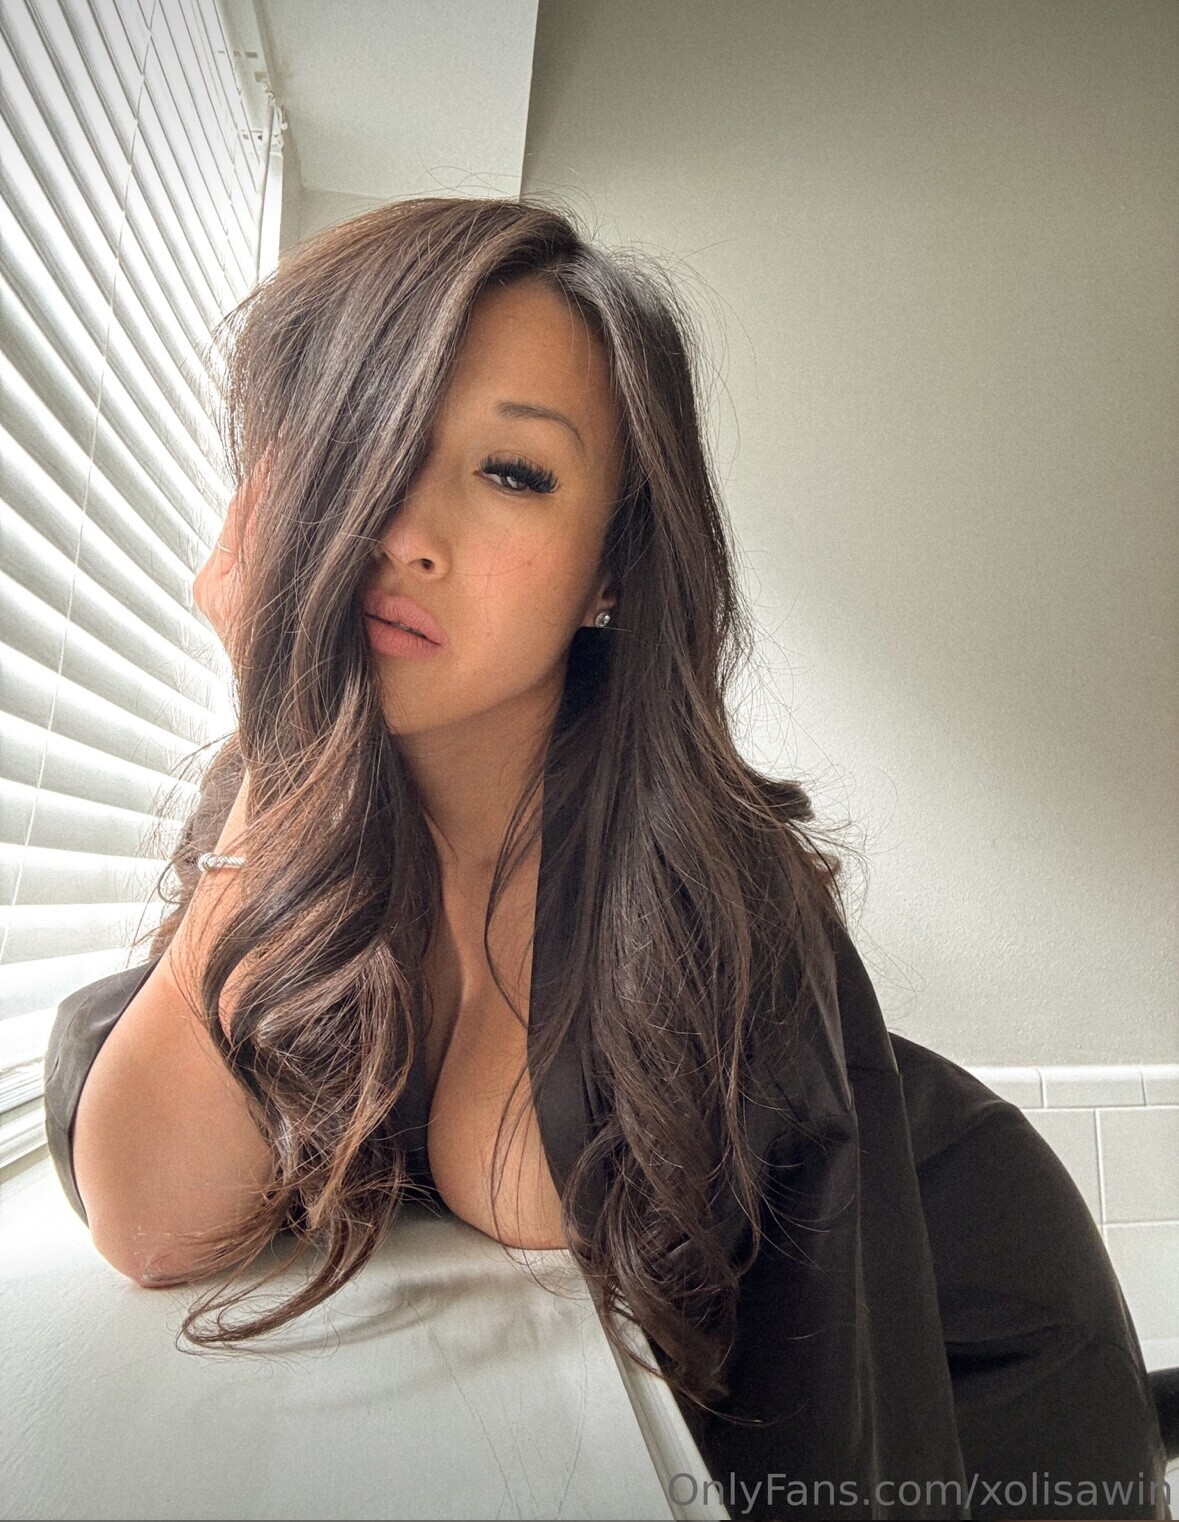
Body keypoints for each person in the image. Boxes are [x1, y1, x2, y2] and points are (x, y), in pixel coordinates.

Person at [43, 195, 1168, 1521]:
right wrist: (282, 726)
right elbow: (155, 1221)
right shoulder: (293, 820)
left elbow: (807, 1397)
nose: (406, 532)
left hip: (979, 1334)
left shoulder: (706, 880)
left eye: (513, 474)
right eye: (371, 440)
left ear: (609, 573)